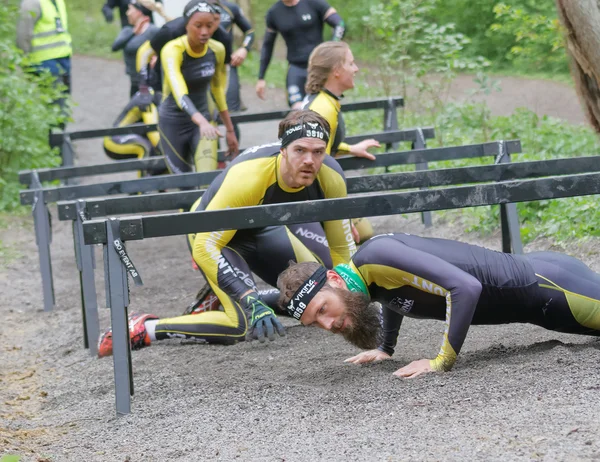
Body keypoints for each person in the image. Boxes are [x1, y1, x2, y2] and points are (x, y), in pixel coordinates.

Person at [97, 110, 357, 357]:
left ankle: (222, 299)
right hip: (213, 237)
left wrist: (359, 297)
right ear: (283, 151)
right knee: (240, 324)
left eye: (318, 152)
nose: (309, 160)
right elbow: (204, 246)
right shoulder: (251, 177)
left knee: (318, 293)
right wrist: (247, 297)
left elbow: (343, 251)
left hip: (263, 229)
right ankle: (146, 328)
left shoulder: (330, 174)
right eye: (300, 150)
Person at [277, 233, 600, 378]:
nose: (328, 324)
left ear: (333, 278)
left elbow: (466, 288)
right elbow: (391, 292)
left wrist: (441, 361)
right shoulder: (366, 279)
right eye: (315, 323)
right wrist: (386, 347)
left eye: (322, 309)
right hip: (543, 292)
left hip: (551, 289)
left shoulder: (377, 254)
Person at [302, 41, 381, 243]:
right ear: (337, 71)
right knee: (363, 233)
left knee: (364, 232)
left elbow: (324, 150)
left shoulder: (326, 100)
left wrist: (350, 149)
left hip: (313, 190)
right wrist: (339, 216)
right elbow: (316, 166)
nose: (356, 69)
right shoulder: (323, 108)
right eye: (351, 63)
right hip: (308, 195)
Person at [158, 0, 238, 174]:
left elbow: (217, 89)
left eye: (209, 26)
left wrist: (230, 130)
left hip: (203, 123)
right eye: (198, 25)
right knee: (184, 186)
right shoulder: (172, 50)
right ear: (187, 24)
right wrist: (201, 121)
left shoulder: (217, 49)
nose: (204, 32)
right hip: (173, 122)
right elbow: (180, 94)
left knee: (205, 180)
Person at [256, 0, 346, 109]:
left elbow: (339, 24)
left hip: (320, 67)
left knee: (326, 107)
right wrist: (261, 78)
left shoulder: (314, 3)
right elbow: (267, 45)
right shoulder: (274, 13)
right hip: (296, 67)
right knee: (297, 110)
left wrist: (332, 47)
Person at [17, 0, 72, 126]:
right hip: (43, 64)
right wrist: (24, 62)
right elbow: (22, 36)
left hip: (63, 62)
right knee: (54, 109)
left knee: (63, 108)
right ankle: (54, 142)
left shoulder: (58, 2)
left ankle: (58, 141)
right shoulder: (31, 3)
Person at [102, 90, 166, 176]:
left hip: (131, 135)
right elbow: (152, 133)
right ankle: (141, 187)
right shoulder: (148, 101)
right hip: (113, 140)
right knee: (146, 148)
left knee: (160, 153)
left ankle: (157, 183)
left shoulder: (154, 96)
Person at [111, 0, 160, 97]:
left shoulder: (153, 30)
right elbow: (115, 47)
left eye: (130, 9)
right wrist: (134, 32)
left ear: (139, 12)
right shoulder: (127, 31)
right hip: (134, 82)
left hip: (150, 83)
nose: (127, 13)